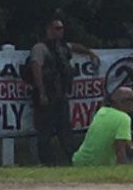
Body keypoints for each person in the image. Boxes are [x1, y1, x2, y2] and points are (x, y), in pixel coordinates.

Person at [29, 12, 100, 166]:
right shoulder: (40, 48)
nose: (60, 31)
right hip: (46, 95)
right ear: (48, 30)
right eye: (56, 28)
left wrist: (89, 52)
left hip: (61, 95)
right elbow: (36, 67)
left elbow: (74, 46)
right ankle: (48, 164)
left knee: (65, 131)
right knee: (45, 133)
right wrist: (41, 92)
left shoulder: (61, 47)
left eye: (61, 28)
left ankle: (72, 162)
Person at [72, 86, 133, 166]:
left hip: (79, 160)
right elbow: (120, 149)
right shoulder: (124, 118)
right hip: (97, 164)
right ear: (122, 101)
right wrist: (126, 169)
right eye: (132, 100)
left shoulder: (101, 112)